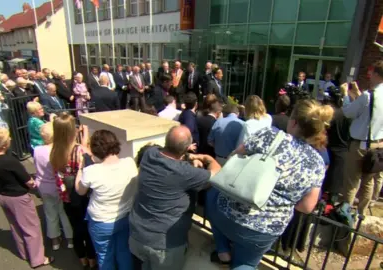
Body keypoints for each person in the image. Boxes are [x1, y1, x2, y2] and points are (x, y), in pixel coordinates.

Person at [207, 99, 332, 269]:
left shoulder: (269, 135)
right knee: (246, 264)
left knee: (212, 194)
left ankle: (223, 250)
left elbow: (234, 157)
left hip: (227, 213)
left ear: (294, 122)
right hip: (265, 231)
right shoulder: (317, 163)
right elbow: (306, 207)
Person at [130, 126, 221, 270]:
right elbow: (217, 173)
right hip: (165, 245)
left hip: (137, 235)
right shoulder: (185, 172)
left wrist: (188, 157)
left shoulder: (149, 154)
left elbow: (170, 156)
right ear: (186, 148)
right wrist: (205, 158)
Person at [0, 127, 53, 268]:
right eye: (7, 138)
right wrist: (35, 183)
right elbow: (28, 181)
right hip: (19, 197)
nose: (10, 139)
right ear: (3, 144)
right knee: (31, 229)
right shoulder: (10, 161)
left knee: (15, 226)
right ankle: (38, 259)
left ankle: (24, 253)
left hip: (3, 195)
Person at [75, 130, 138, 270]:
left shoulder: (91, 171)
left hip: (101, 221)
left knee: (104, 255)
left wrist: (80, 169)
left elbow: (80, 191)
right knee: (124, 252)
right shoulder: (129, 163)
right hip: (124, 217)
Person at [50, 113, 97, 269]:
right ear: (73, 131)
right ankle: (92, 259)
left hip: (66, 197)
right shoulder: (80, 151)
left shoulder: (54, 151)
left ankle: (82, 259)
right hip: (82, 196)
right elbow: (87, 159)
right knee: (88, 230)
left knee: (76, 229)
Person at [341, 61, 383, 215]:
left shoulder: (368, 95)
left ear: (377, 74)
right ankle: (361, 214)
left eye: (372, 72)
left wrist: (345, 95)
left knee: (352, 181)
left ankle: (344, 214)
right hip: (378, 145)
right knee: (368, 181)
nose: (369, 75)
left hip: (360, 145)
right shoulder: (369, 96)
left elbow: (348, 112)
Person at [33, 123, 73, 251]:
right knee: (63, 213)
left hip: (43, 186)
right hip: (57, 186)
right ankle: (70, 239)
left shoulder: (37, 150)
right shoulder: (58, 151)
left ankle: (55, 240)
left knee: (50, 213)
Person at [322, 86, 351, 201]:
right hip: (342, 152)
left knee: (326, 182)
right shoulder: (346, 114)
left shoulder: (330, 115)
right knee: (335, 185)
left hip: (329, 150)